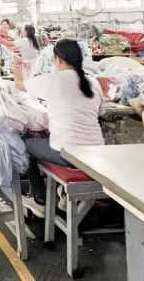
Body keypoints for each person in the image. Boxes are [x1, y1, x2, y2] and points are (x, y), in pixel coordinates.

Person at [24, 39, 103, 204]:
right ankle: (60, 195)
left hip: (69, 156)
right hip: (97, 153)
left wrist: (17, 67)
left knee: (27, 144)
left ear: (58, 59)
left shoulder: (52, 81)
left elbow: (20, 85)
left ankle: (40, 198)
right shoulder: (94, 83)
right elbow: (99, 112)